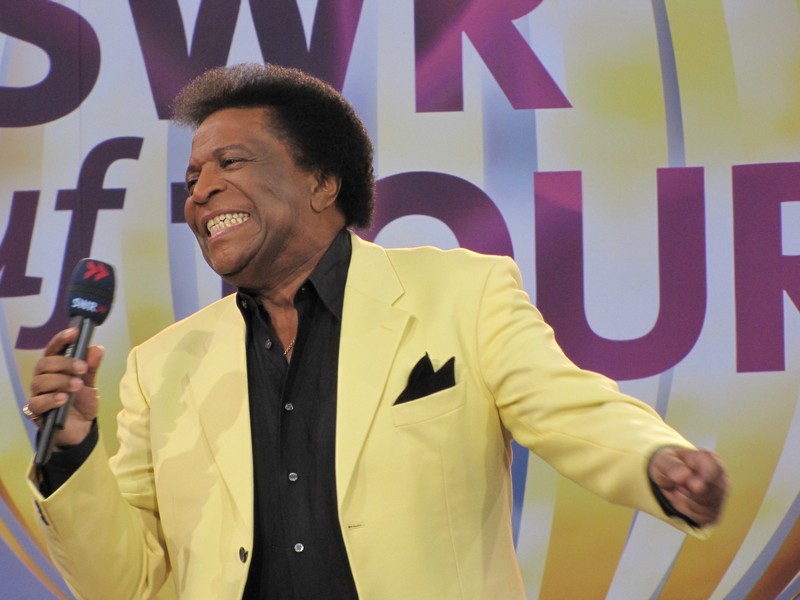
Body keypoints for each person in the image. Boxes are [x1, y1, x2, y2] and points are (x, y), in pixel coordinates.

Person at [25, 63, 727, 600]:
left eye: (230, 163)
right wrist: (71, 453)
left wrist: (658, 462)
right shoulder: (161, 365)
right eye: (192, 178)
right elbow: (126, 584)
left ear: (323, 183)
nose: (201, 189)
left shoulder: (460, 293)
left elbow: (567, 407)